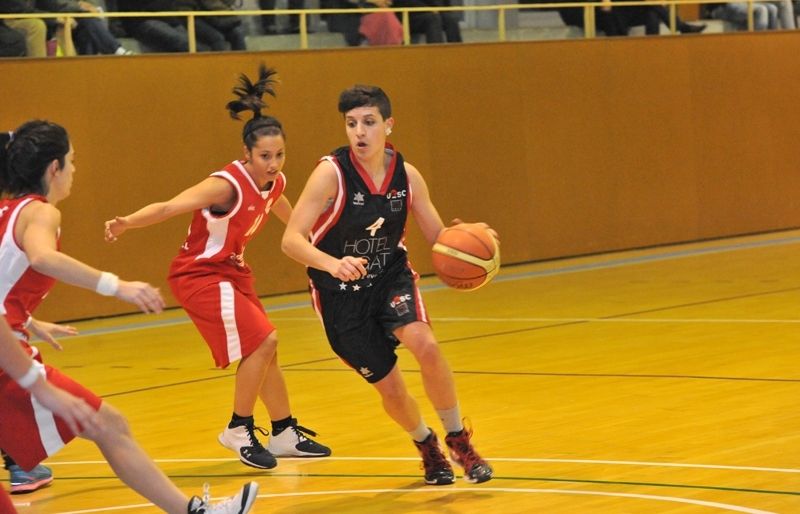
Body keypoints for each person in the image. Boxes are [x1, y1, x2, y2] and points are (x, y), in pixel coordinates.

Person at [0, 121, 259, 513]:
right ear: (54, 168)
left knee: (109, 426)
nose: (75, 169)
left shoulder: (7, 210)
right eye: (72, 161)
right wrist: (115, 285)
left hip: (10, 343)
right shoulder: (40, 213)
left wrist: (30, 322)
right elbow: (42, 257)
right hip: (7, 360)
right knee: (110, 425)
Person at [104, 65, 331, 471]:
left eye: (279, 154)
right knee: (265, 341)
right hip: (199, 275)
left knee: (266, 351)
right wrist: (126, 222)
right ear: (247, 154)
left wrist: (314, 238)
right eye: (265, 156)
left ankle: (282, 431)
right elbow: (171, 206)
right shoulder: (225, 185)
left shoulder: (274, 182)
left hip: (233, 272)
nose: (273, 163)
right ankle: (238, 427)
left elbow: (285, 211)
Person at [281, 85, 494, 485]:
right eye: (351, 123)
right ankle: (426, 444)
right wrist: (332, 263)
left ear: (388, 124)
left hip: (388, 279)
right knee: (392, 390)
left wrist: (472, 241)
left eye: (368, 122)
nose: (359, 132)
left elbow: (439, 236)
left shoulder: (406, 175)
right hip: (339, 298)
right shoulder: (331, 173)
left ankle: (458, 440)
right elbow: (291, 239)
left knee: (426, 345)